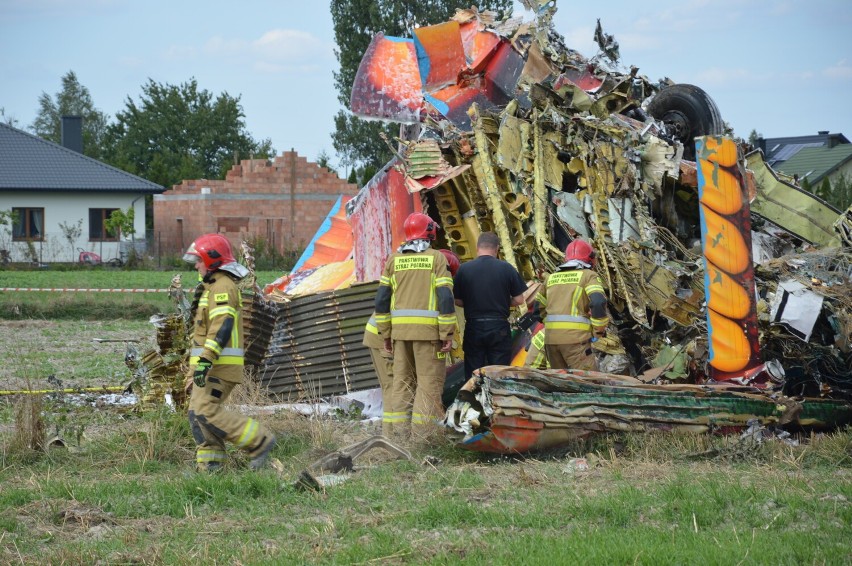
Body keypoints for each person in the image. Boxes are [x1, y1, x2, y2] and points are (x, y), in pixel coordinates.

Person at [183, 233, 275, 471]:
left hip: (218, 367)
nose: (196, 265)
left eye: (199, 260)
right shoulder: (211, 287)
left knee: (204, 410)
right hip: (208, 366)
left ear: (212, 261)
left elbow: (220, 328)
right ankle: (211, 468)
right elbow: (202, 335)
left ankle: (259, 441)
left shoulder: (223, 287)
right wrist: (193, 371)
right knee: (197, 415)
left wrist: (204, 363)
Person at [374, 212, 457, 443]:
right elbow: (445, 298)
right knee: (428, 385)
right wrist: (446, 333)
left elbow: (381, 300)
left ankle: (399, 437)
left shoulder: (393, 260)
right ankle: (423, 439)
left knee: (401, 383)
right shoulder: (436, 259)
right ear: (430, 232)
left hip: (400, 335)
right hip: (429, 336)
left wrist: (386, 335)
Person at [452, 231, 527, 378]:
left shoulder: (464, 269)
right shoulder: (506, 268)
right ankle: (496, 399)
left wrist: (472, 302)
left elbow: (456, 299)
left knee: (474, 374)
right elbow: (519, 300)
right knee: (498, 373)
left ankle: (474, 399)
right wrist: (502, 302)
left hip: (474, 327)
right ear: (497, 248)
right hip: (499, 328)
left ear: (478, 247)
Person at [535, 239, 609, 371]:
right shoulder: (588, 276)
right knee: (589, 383)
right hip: (576, 341)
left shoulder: (551, 278)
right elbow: (598, 301)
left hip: (551, 341)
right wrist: (598, 330)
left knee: (561, 383)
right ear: (590, 258)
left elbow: (538, 309)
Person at [362, 312, 393, 437]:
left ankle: (393, 435)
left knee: (394, 387)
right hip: (383, 337)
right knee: (393, 386)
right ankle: (392, 436)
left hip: (383, 333)